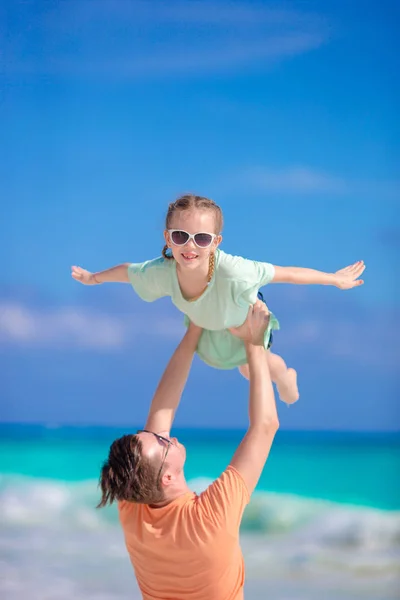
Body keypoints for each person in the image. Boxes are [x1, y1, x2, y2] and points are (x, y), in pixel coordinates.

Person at [71, 194, 365, 404]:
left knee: (254, 368)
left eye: (201, 238)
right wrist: (93, 278)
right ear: (167, 237)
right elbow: (128, 271)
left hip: (245, 319)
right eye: (180, 236)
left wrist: (334, 279)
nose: (190, 246)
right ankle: (279, 375)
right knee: (238, 368)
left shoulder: (236, 270)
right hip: (210, 325)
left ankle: (287, 379)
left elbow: (286, 273)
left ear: (215, 242)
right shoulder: (161, 272)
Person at [98, 301, 279, 600]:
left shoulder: (134, 503)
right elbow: (265, 425)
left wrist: (195, 328)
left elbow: (162, 411)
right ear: (166, 478)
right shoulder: (208, 517)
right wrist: (255, 342)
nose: (165, 435)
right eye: (162, 442)